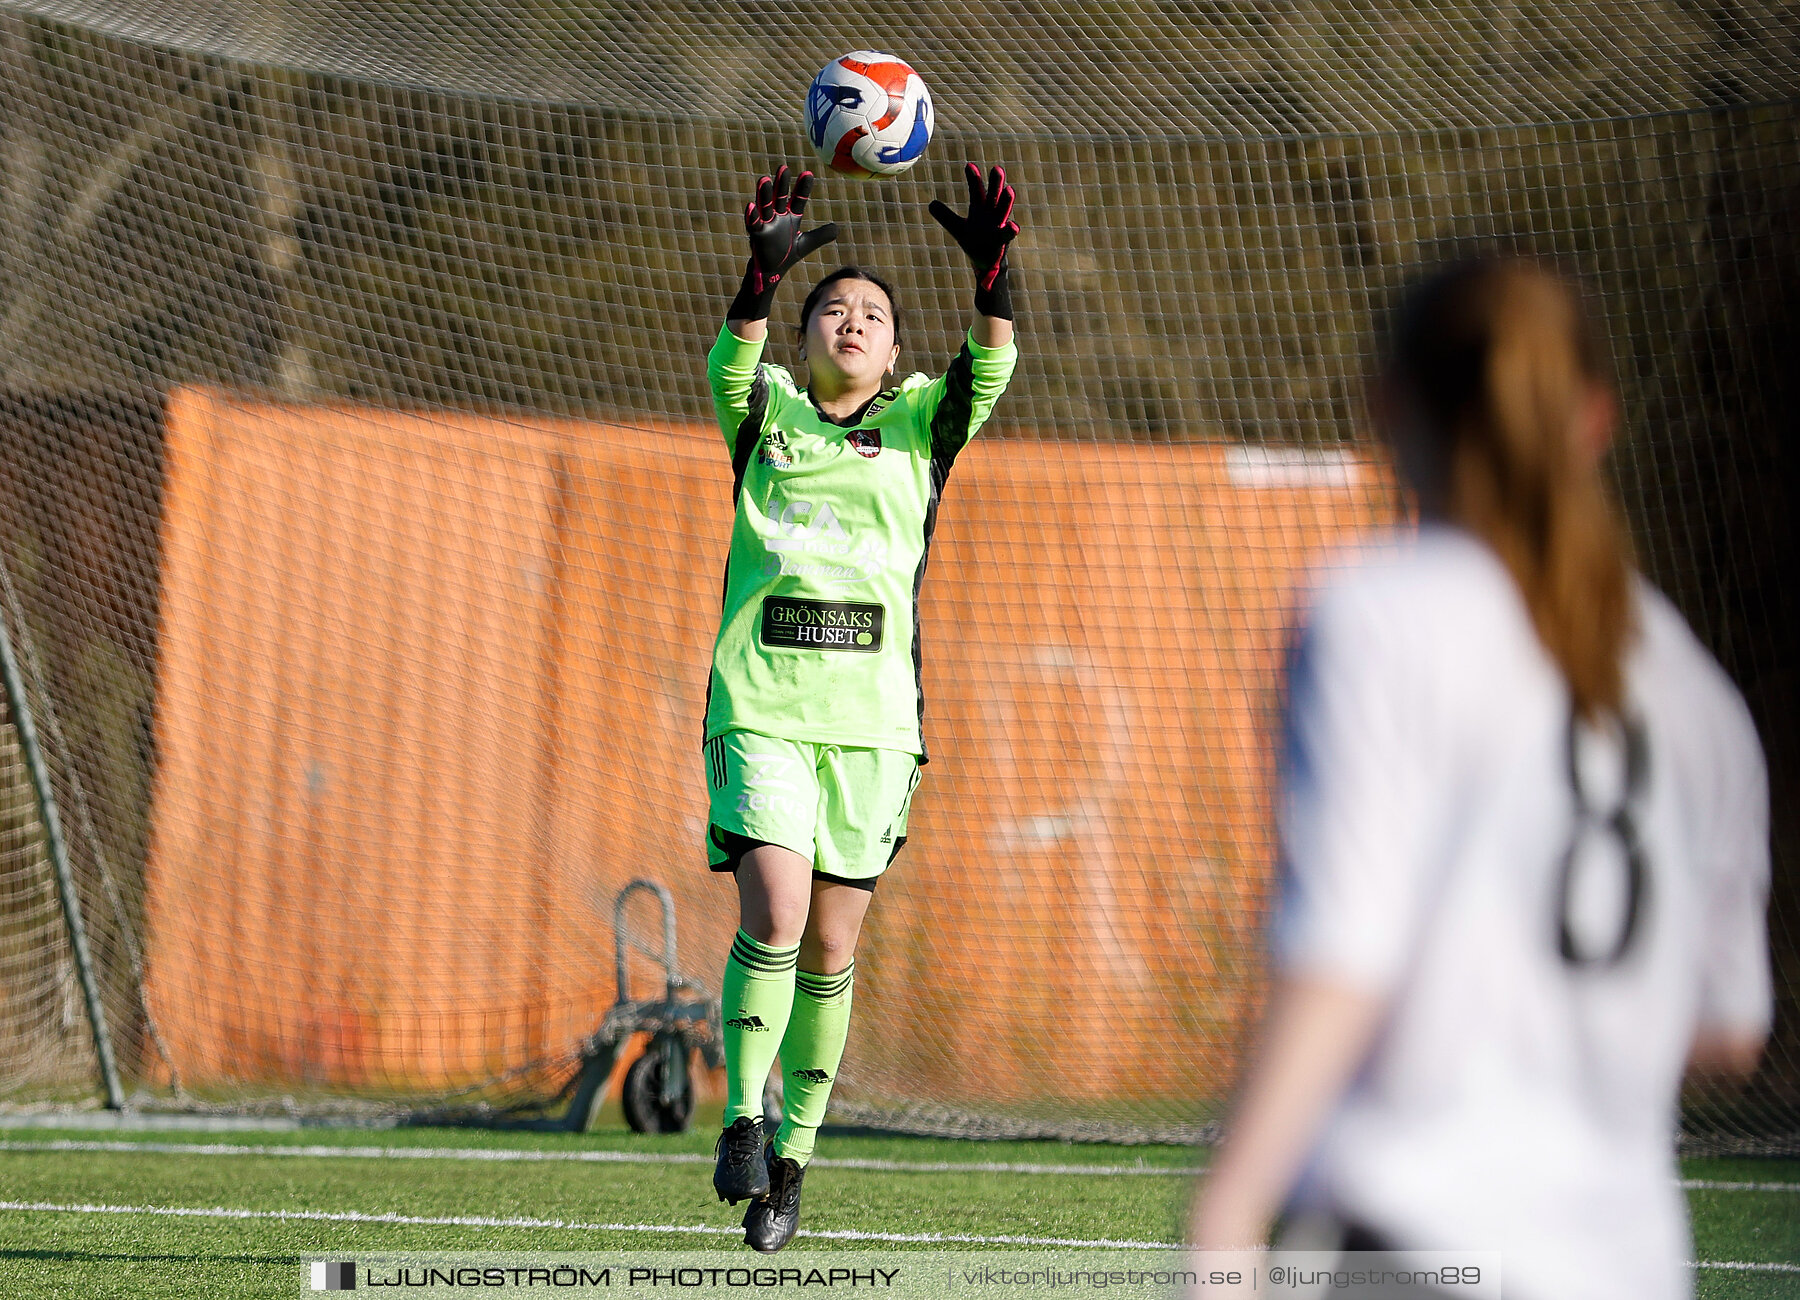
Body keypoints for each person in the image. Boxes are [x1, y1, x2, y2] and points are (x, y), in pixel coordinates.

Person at [1188, 257, 1771, 1299]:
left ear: (1388, 406)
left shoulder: (1379, 613)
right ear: (1595, 420)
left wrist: (1229, 1214)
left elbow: (1342, 951)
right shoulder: (1698, 691)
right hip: (1630, 1262)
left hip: (1413, 1233)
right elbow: (1730, 1025)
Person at [703, 162, 1019, 1253]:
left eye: (874, 315)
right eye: (832, 307)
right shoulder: (767, 415)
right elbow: (734, 352)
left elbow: (992, 361)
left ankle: (791, 1160)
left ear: (895, 353)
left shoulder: (930, 422)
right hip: (764, 709)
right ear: (807, 341)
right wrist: (758, 277)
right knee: (777, 916)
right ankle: (741, 1119)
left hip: (876, 731)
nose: (851, 319)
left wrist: (993, 273)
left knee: (831, 951)